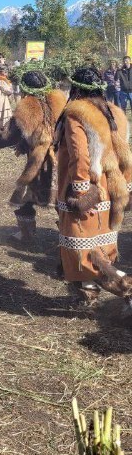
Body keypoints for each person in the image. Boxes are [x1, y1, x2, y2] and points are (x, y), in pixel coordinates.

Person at [55, 66, 132, 304]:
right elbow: (124, 153)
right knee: (97, 242)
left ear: (75, 88)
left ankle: (124, 287)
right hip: (109, 188)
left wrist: (80, 192)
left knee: (82, 245)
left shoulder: (75, 114)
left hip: (87, 188)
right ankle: (88, 296)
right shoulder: (114, 111)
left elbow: (80, 156)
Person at [0, 70, 67, 247]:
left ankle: (29, 234)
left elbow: (8, 136)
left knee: (29, 197)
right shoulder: (60, 102)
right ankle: (67, 233)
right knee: (60, 197)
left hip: (40, 162)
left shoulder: (26, 108)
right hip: (63, 158)